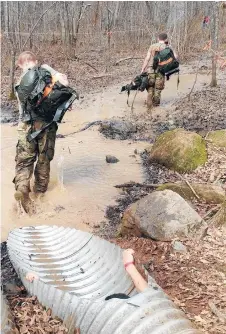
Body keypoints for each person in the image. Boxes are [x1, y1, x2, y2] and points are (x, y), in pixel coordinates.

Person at [14, 51, 69, 214]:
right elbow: (64, 83)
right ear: (35, 61)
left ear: (19, 65)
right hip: (46, 126)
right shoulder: (45, 70)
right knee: (44, 159)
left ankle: (23, 189)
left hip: (25, 126)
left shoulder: (20, 83)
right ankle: (40, 195)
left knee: (24, 162)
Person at [141, 33, 177, 110]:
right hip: (161, 70)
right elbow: (175, 57)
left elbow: (147, 58)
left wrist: (143, 68)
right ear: (166, 39)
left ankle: (149, 101)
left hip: (151, 70)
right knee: (158, 89)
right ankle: (156, 107)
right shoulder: (168, 47)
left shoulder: (152, 46)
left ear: (158, 38)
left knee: (150, 86)